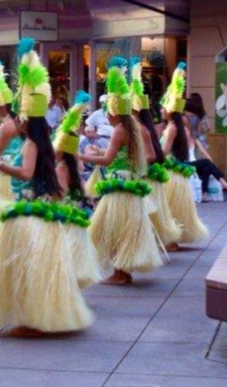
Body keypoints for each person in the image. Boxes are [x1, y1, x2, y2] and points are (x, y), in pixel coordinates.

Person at [0, 38, 94, 338]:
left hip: (31, 217)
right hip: (39, 214)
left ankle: (33, 321)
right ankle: (38, 317)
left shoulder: (31, 144)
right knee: (35, 268)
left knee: (28, 267)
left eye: (20, 116)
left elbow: (26, 173)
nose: (17, 120)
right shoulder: (42, 143)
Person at [81, 57, 162, 284]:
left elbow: (108, 160)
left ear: (114, 112)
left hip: (118, 186)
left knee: (113, 227)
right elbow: (120, 157)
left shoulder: (119, 130)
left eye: (108, 110)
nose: (106, 115)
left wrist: (80, 155)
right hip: (127, 185)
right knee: (122, 227)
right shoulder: (132, 127)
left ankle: (119, 272)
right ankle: (121, 270)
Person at [130, 57, 182, 250]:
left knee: (157, 212)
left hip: (151, 172)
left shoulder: (167, 128)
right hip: (153, 172)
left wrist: (136, 162)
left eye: (164, 107)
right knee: (157, 212)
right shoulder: (152, 127)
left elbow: (160, 153)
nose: (161, 109)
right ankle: (162, 240)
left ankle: (166, 241)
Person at [53, 101, 101, 289]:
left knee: (63, 257)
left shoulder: (61, 170)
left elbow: (60, 195)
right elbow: (84, 192)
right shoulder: (73, 169)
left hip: (64, 220)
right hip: (76, 220)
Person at [160, 63, 209, 247]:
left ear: (170, 110)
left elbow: (164, 152)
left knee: (170, 207)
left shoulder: (172, 128)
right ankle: (173, 240)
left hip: (170, 172)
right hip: (176, 172)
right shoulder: (176, 126)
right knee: (173, 207)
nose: (161, 110)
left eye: (163, 107)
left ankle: (172, 241)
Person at [0, 60, 23, 201]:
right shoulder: (13, 123)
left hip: (8, 172)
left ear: (3, 108)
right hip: (11, 169)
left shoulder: (8, 126)